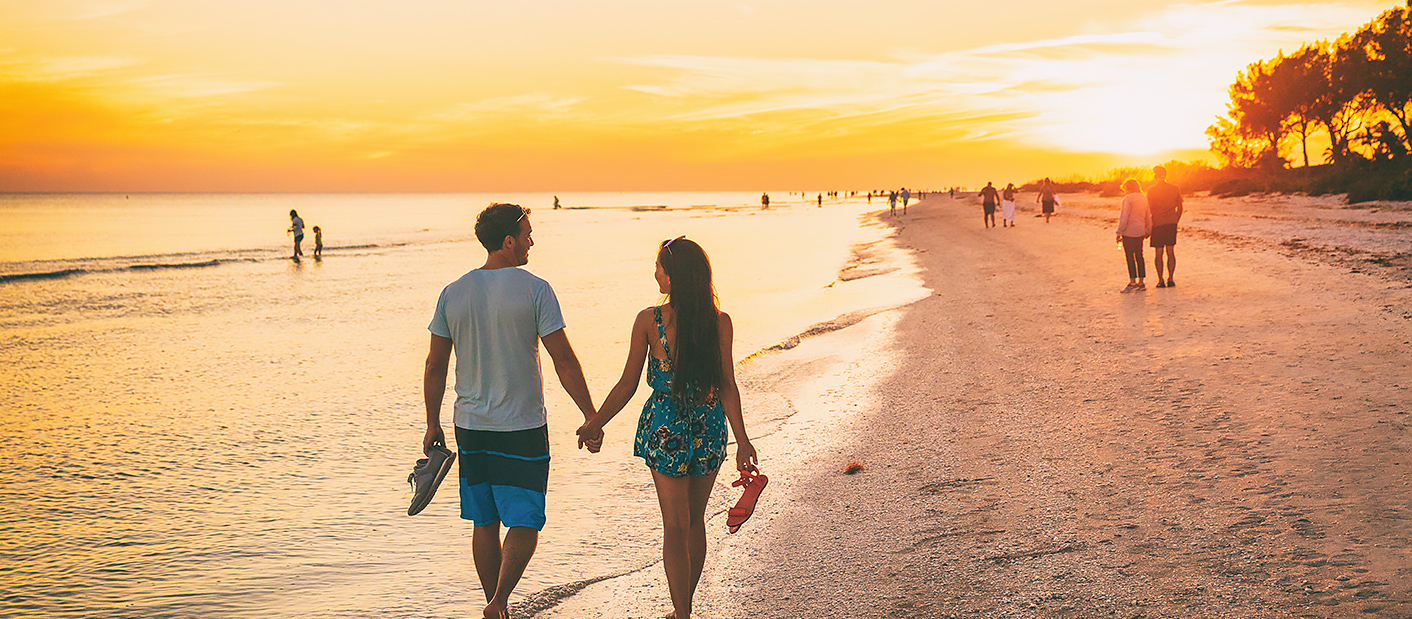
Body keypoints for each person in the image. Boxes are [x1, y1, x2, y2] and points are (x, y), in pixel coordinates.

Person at [422, 203, 598, 619]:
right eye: (527, 234)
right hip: (521, 425)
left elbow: (434, 365)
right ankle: (500, 600)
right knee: (525, 520)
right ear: (508, 241)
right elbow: (564, 359)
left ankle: (494, 605)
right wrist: (590, 415)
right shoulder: (536, 288)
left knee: (484, 521)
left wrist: (432, 423)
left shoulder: (453, 292)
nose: (531, 241)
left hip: (470, 426)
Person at [576, 236, 757, 619]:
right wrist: (742, 440)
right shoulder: (719, 322)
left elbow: (627, 383)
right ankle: (682, 610)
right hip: (709, 427)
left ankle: (683, 613)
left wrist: (595, 422)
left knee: (674, 526)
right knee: (693, 522)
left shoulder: (650, 321)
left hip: (666, 430)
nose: (654, 272)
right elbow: (727, 383)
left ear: (673, 276)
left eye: (658, 266)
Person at [1146, 165, 1184, 288]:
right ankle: (1171, 278)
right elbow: (1180, 207)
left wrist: (1148, 224)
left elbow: (1149, 209)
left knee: (1158, 253)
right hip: (1171, 223)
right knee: (1170, 251)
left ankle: (1160, 280)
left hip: (1157, 223)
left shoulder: (1151, 190)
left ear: (1155, 176)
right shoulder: (1174, 188)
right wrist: (1175, 220)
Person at [1116, 179, 1152, 293]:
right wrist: (1148, 229)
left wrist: (1119, 232)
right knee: (1140, 256)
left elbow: (1124, 217)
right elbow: (1147, 215)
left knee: (1130, 257)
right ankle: (1141, 282)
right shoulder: (1143, 197)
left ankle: (1132, 282)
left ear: (1128, 187)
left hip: (1129, 231)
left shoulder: (1128, 198)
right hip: (1140, 230)